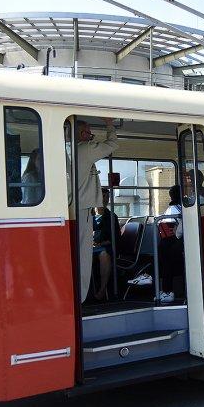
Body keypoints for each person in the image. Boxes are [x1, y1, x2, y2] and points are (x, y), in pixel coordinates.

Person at [76, 117, 118, 302]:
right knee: (83, 257)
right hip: (82, 206)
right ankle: (83, 298)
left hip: (74, 207)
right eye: (88, 133)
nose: (91, 137)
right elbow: (112, 144)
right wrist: (109, 124)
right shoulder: (84, 149)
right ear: (79, 133)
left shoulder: (66, 150)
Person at [157, 184, 185, 303]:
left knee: (166, 252)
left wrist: (176, 233)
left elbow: (181, 228)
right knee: (163, 248)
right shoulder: (178, 207)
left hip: (184, 239)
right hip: (175, 239)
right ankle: (166, 289)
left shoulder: (179, 208)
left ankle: (168, 290)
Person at [91, 188, 121, 301]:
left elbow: (115, 238)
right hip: (88, 247)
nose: (104, 200)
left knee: (104, 254)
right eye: (101, 197)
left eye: (106, 197)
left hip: (105, 247)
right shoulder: (88, 215)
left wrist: (101, 243)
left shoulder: (112, 217)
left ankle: (102, 289)